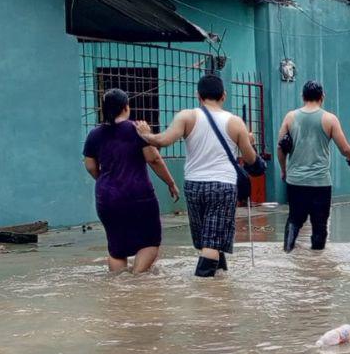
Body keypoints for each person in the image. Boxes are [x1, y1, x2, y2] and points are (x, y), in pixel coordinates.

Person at [138, 75, 258, 277]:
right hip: (223, 186)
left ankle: (219, 280)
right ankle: (204, 293)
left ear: (198, 96)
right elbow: (251, 159)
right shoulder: (236, 122)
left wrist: (145, 134)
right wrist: (248, 140)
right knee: (212, 240)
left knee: (206, 240)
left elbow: (163, 141)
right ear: (224, 96)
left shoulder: (187, 117)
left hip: (194, 186)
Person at [83, 88, 179, 274]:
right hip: (138, 196)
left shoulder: (94, 135)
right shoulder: (136, 130)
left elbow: (90, 166)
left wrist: (104, 180)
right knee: (150, 242)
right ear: (126, 107)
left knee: (117, 249)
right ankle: (136, 279)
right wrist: (171, 182)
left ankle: (119, 285)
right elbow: (154, 159)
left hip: (107, 198)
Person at [275, 80, 350, 252]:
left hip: (295, 181)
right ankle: (317, 265)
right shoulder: (329, 119)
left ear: (302, 97)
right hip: (320, 183)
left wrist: (284, 170)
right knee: (319, 223)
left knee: (294, 219)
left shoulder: (290, 117)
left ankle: (287, 252)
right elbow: (344, 148)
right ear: (322, 97)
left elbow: (280, 148)